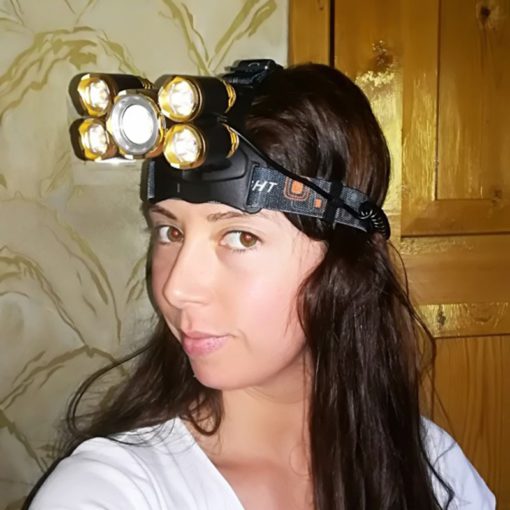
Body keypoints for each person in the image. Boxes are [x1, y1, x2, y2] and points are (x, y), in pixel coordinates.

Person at [27, 62, 495, 510]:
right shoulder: (110, 490)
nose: (176, 290)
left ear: (345, 267)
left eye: (241, 237)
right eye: (170, 231)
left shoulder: (432, 469)